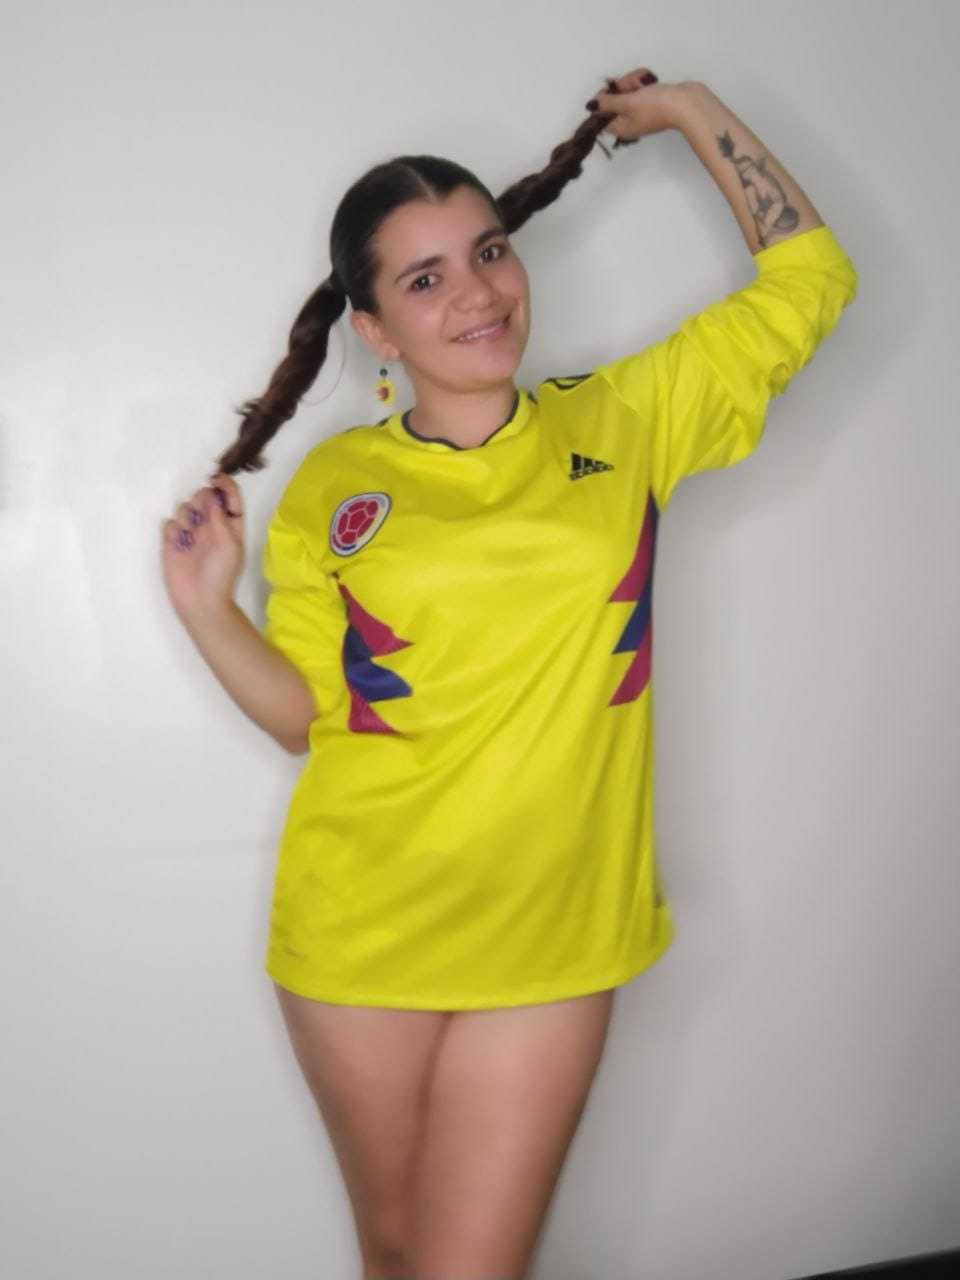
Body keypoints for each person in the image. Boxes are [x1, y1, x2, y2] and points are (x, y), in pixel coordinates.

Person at [160, 69, 858, 1280]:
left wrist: (692, 111)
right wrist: (205, 610)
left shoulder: (625, 419)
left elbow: (812, 281)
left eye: (488, 252)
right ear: (376, 330)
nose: (477, 292)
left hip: (554, 938)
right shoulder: (334, 485)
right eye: (425, 278)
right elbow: (307, 719)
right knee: (394, 1254)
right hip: (356, 931)